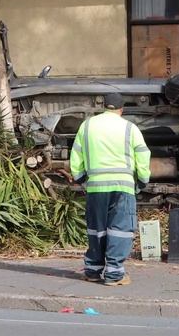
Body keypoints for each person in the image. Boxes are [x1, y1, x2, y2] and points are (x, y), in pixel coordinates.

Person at [69, 92, 151, 286]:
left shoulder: (87, 126)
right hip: (122, 186)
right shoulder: (129, 128)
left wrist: (81, 179)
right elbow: (142, 154)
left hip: (96, 187)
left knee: (96, 229)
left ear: (104, 106)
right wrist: (142, 180)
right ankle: (114, 274)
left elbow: (76, 156)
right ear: (121, 109)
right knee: (120, 229)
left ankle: (93, 270)